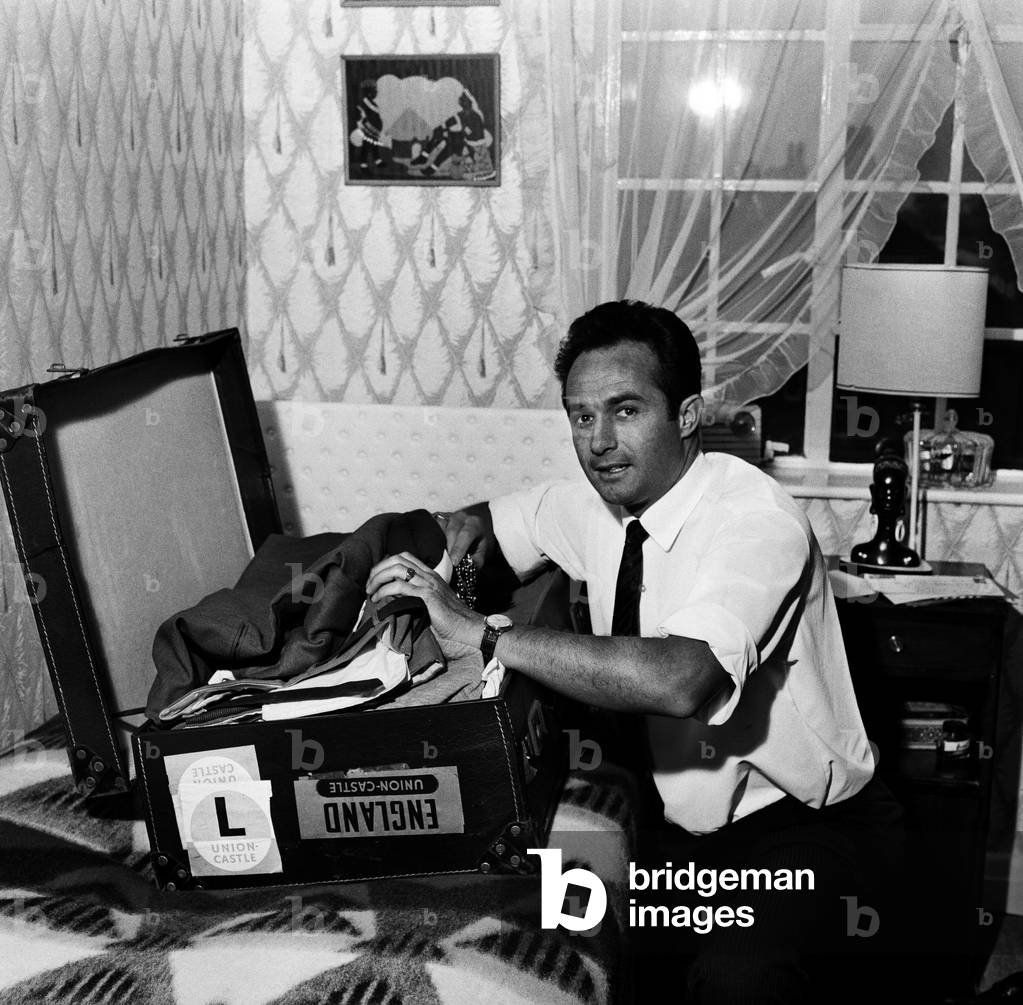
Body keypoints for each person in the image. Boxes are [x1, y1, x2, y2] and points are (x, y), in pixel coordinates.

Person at [366, 299, 904, 1003]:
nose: (598, 441)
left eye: (624, 410)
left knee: (733, 980)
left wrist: (483, 631)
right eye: (580, 416)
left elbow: (682, 679)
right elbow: (485, 522)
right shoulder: (594, 502)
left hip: (792, 829)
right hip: (666, 819)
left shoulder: (754, 519)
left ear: (685, 415)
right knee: (545, 948)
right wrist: (450, 542)